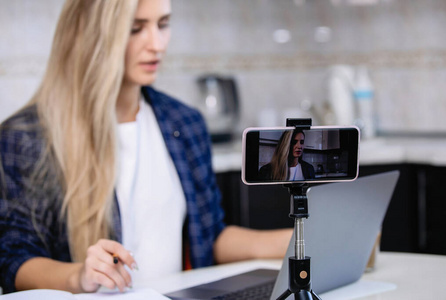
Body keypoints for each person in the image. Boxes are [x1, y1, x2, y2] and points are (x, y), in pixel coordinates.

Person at [0, 0, 292, 294]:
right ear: (90, 34)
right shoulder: (28, 137)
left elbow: (210, 236)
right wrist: (80, 276)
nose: (157, 44)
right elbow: (13, 259)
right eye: (135, 28)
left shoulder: (185, 123)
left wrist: (302, 239)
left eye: (163, 24)